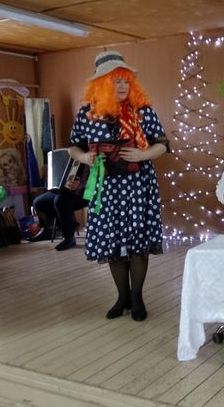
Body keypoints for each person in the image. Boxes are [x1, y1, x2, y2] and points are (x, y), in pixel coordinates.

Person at [68, 50, 169, 321]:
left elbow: (163, 144)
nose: (123, 86)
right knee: (112, 243)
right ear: (102, 83)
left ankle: (137, 298)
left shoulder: (142, 112)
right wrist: (85, 157)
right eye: (116, 81)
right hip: (105, 189)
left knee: (137, 243)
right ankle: (122, 297)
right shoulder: (87, 114)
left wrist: (142, 154)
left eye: (126, 81)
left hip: (138, 185)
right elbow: (73, 147)